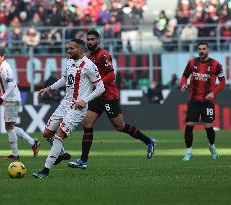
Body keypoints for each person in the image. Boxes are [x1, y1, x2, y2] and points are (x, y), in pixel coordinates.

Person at [68, 30, 156, 169]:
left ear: (98, 41)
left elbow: (111, 75)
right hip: (96, 96)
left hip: (108, 96)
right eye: (88, 39)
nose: (90, 42)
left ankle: (148, 141)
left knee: (120, 126)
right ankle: (83, 161)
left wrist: (99, 84)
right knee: (87, 123)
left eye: (92, 39)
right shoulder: (89, 57)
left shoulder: (104, 55)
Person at [32, 39, 105, 179]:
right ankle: (62, 153)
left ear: (80, 50)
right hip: (65, 103)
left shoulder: (89, 66)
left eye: (71, 48)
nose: (68, 51)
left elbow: (101, 87)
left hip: (78, 107)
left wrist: (85, 100)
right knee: (47, 133)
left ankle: (45, 171)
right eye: (68, 48)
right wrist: (49, 88)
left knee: (59, 136)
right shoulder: (69, 62)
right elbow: (64, 79)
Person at [0, 49, 40, 160]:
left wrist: (0, 100)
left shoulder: (6, 69)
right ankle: (32, 142)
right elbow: (0, 85)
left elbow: (11, 86)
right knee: (10, 126)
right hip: (10, 99)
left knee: (9, 126)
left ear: (3, 57)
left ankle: (15, 154)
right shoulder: (0, 68)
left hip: (12, 100)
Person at [180, 42, 225, 161]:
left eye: (204, 49)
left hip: (207, 100)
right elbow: (185, 76)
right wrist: (184, 84)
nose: (201, 51)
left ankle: (211, 146)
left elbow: (222, 82)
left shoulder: (216, 64)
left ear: (208, 50)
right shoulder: (192, 62)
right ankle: (189, 152)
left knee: (209, 127)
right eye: (199, 49)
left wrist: (213, 93)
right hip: (194, 100)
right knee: (189, 126)